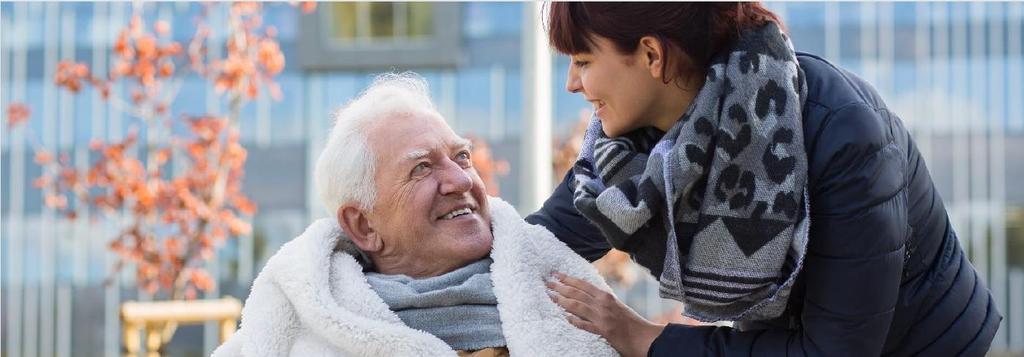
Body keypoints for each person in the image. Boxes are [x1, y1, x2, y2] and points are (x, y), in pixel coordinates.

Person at [527, 3, 1002, 356]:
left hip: (918, 345)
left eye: (584, 61)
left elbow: (835, 352)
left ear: (652, 55)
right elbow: (536, 241)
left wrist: (644, 338)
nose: (572, 83)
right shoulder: (630, 145)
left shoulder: (844, 136)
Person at [212, 73, 618, 357]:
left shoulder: (563, 297)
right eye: (422, 167)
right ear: (364, 226)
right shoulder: (294, 333)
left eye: (462, 156)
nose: (460, 179)